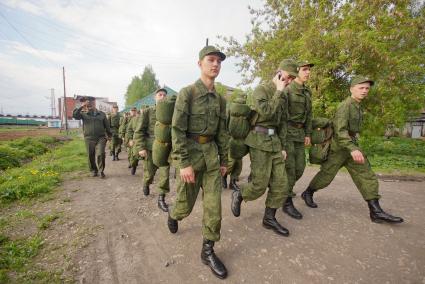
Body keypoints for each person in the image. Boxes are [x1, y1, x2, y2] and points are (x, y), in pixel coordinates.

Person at [302, 76, 404, 224]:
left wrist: (354, 147)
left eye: (367, 88)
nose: (364, 91)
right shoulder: (345, 106)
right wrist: (352, 148)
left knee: (366, 175)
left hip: (351, 147)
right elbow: (340, 131)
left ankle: (375, 211)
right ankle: (308, 192)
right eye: (361, 88)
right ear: (352, 89)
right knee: (326, 176)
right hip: (339, 149)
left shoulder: (357, 106)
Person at [167, 45, 228, 279]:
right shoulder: (188, 93)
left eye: (219, 62)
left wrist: (224, 160)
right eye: (210, 60)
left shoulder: (220, 100)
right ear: (200, 63)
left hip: (212, 158)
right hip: (191, 157)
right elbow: (177, 129)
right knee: (185, 205)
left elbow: (222, 132)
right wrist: (183, 163)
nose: (215, 64)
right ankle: (173, 214)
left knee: (214, 208)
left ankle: (208, 251)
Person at [231, 59, 297, 237]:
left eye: (292, 78)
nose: (289, 81)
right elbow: (267, 111)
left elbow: (283, 122)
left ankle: (269, 218)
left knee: (281, 183)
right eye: (288, 76)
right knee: (259, 184)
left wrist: (282, 146)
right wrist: (279, 91)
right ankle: (240, 194)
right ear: (279, 72)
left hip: (275, 142)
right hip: (258, 140)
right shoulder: (262, 89)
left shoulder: (284, 94)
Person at [282, 61, 314, 220]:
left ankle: (283, 189)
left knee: (300, 168)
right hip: (288, 133)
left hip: (300, 134)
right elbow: (281, 117)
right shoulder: (288, 90)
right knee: (290, 168)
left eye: (309, 70)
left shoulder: (307, 92)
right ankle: (286, 201)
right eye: (305, 70)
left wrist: (308, 133)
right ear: (297, 72)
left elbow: (309, 115)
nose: (308, 72)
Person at [133, 88, 171, 212]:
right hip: (150, 147)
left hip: (166, 147)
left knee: (165, 172)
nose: (162, 96)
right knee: (149, 173)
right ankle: (146, 183)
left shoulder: (171, 112)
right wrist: (141, 147)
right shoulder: (147, 112)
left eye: (164, 95)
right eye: (160, 94)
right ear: (155, 97)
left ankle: (161, 198)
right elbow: (139, 131)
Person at [73, 96, 112, 178]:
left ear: (94, 103)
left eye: (91, 103)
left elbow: (107, 126)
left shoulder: (102, 114)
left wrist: (109, 136)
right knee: (90, 155)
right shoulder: (83, 114)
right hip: (89, 138)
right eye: (87, 104)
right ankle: (94, 170)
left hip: (100, 138)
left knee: (100, 153)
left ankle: (101, 171)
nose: (89, 105)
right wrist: (81, 106)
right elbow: (75, 115)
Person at [125, 108, 140, 175]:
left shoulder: (146, 119)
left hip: (144, 139)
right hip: (135, 139)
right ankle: (133, 166)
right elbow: (129, 130)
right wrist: (130, 139)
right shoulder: (133, 120)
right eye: (132, 111)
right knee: (134, 154)